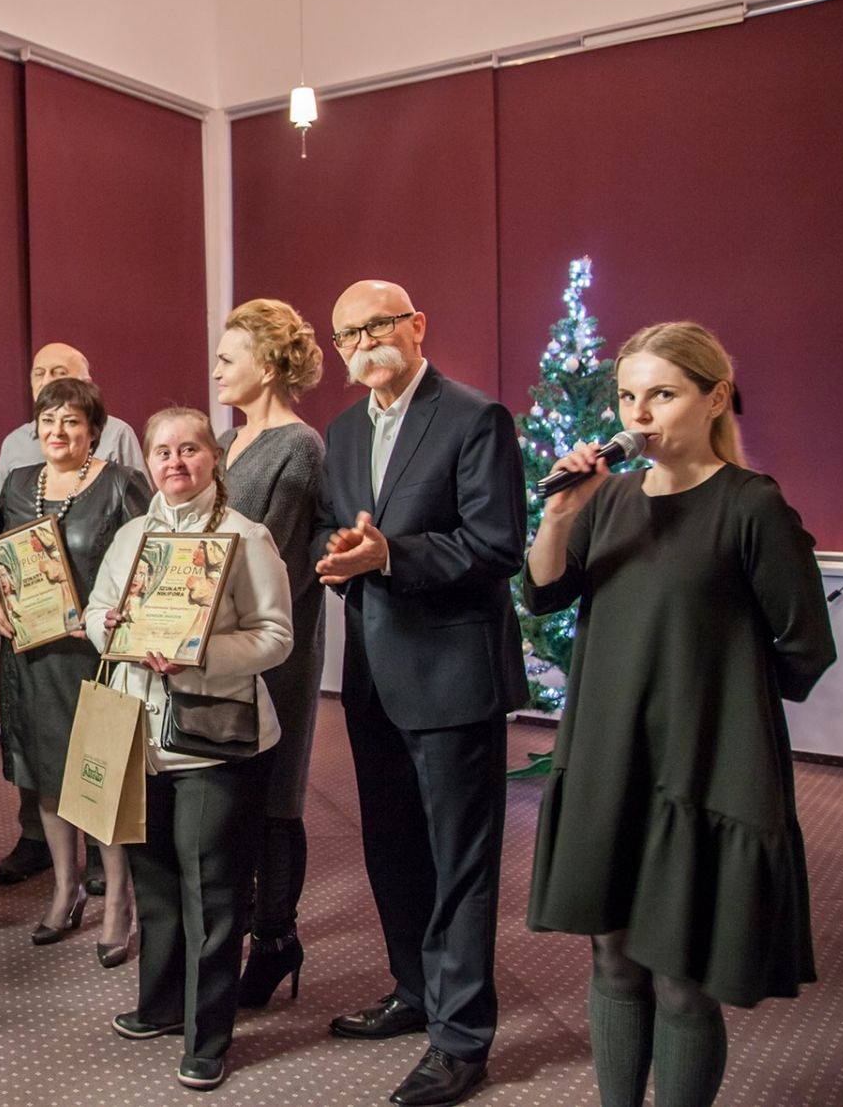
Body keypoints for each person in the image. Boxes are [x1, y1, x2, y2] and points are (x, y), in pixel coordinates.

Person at [522, 322, 836, 1107]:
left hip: (702, 765)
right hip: (610, 758)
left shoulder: (751, 505)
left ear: (715, 397)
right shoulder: (610, 497)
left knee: (682, 980)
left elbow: (805, 646)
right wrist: (560, 515)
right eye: (628, 396)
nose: (639, 415)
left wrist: (722, 693)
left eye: (661, 394)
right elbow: (544, 593)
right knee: (613, 958)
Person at [313, 280, 526, 1107]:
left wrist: (391, 556)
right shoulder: (341, 432)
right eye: (348, 334)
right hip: (373, 677)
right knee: (393, 849)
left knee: (460, 865)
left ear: (416, 326)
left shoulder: (474, 418)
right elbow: (342, 531)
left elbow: (496, 545)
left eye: (378, 325)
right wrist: (343, 556)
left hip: (452, 679)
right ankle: (415, 990)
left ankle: (462, 1039)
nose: (364, 342)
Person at [86, 407, 293, 1093]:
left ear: (214, 458)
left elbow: (276, 637)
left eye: (190, 449)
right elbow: (95, 612)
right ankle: (161, 1005)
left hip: (215, 741)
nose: (175, 462)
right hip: (138, 735)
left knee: (213, 891)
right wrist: (110, 626)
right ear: (147, 461)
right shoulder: (132, 535)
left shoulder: (246, 536)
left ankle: (208, 1036)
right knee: (155, 883)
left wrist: (197, 654)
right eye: (163, 451)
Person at [0, 378, 150, 966]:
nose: (58, 431)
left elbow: (149, 564)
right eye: (48, 420)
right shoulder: (17, 482)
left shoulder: (121, 484)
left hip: (94, 658)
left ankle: (119, 901)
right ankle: (65, 888)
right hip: (31, 655)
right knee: (47, 775)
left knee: (99, 778)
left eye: (72, 421)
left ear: (95, 431)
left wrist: (112, 617)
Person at [212, 297, 329, 1008]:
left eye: (228, 358)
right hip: (221, 636)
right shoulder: (229, 439)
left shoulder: (299, 445)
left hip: (274, 643)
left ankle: (277, 940)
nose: (217, 370)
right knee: (233, 790)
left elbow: (271, 557)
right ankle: (241, 930)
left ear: (267, 363)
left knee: (275, 793)